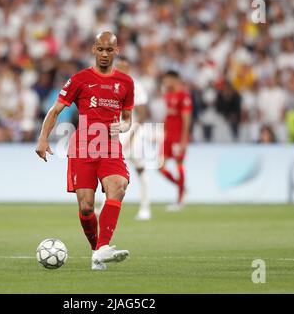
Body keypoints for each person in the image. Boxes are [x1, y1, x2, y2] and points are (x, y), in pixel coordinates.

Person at [35, 31, 134, 271]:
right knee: (86, 207)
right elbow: (55, 110)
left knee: (118, 186)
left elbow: (128, 119)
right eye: (100, 49)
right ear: (93, 50)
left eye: (109, 50)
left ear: (116, 52)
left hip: (109, 147)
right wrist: (42, 139)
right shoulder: (79, 79)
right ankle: (96, 252)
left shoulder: (126, 83)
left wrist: (121, 126)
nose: (104, 54)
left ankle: (103, 247)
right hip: (83, 148)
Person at [96, 56, 151, 220]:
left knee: (140, 169)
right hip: (114, 133)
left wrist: (132, 136)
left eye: (124, 67)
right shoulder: (109, 86)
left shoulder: (136, 86)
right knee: (107, 169)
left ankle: (145, 208)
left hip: (134, 132)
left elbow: (141, 115)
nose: (121, 70)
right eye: (118, 67)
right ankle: (102, 205)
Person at [158, 70, 193, 211]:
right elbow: (168, 116)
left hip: (178, 137)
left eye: (167, 80)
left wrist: (184, 140)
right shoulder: (168, 95)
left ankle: (179, 201)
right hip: (168, 136)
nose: (165, 83)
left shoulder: (184, 96)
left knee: (179, 166)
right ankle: (182, 188)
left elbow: (186, 120)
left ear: (174, 80)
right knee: (159, 166)